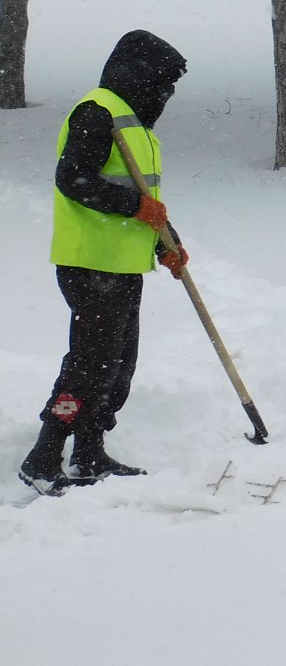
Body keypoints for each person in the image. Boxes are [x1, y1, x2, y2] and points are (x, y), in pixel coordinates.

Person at [19, 30, 189, 496]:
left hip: (122, 262)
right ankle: (45, 453)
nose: (166, 94)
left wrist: (164, 243)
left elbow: (143, 196)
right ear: (138, 75)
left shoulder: (133, 123)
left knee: (118, 362)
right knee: (91, 361)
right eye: (162, 83)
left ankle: (90, 449)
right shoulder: (98, 112)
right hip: (89, 261)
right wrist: (135, 209)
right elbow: (73, 179)